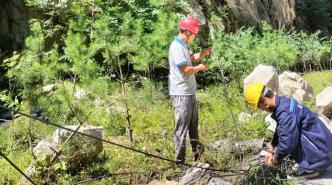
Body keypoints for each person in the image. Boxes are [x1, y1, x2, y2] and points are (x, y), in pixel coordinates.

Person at [244, 82, 332, 180]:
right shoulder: (284, 102)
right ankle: (314, 163)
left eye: (260, 107)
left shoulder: (285, 113)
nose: (262, 110)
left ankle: (312, 168)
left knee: (290, 138)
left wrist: (275, 158)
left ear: (263, 101)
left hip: (323, 154)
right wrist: (272, 149)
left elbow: (288, 142)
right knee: (289, 132)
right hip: (323, 147)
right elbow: (281, 128)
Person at [168, 16, 212, 164]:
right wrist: (200, 68)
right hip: (181, 94)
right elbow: (185, 69)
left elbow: (191, 58)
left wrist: (204, 53)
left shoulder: (183, 45)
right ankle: (179, 162)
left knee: (193, 126)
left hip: (190, 92)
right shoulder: (176, 47)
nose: (195, 36)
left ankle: (198, 156)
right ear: (187, 32)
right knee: (181, 128)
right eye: (194, 34)